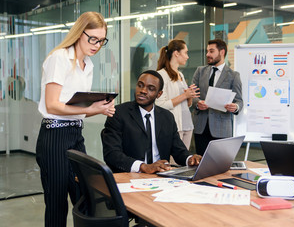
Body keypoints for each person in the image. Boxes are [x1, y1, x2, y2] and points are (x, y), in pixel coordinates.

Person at [36, 12, 115, 227]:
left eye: (101, 41)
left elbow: (77, 109)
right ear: (80, 33)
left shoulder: (87, 65)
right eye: (92, 39)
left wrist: (98, 109)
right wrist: (90, 108)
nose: (97, 45)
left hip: (75, 135)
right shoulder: (59, 58)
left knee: (85, 196)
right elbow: (52, 105)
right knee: (56, 204)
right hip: (54, 136)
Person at [101, 70, 202, 173]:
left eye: (151, 88)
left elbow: (179, 151)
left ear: (159, 94)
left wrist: (190, 159)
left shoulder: (167, 117)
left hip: (160, 176)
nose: (143, 91)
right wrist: (143, 167)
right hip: (131, 176)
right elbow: (112, 154)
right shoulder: (119, 113)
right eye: (140, 85)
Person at [192, 39, 243, 156]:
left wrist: (235, 107)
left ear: (222, 52)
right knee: (200, 164)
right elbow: (193, 95)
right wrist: (197, 103)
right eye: (207, 51)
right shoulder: (200, 71)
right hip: (201, 127)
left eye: (211, 51)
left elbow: (239, 101)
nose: (207, 55)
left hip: (222, 129)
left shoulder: (233, 75)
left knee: (220, 164)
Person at [156, 39, 199, 149]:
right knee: (174, 164)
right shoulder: (161, 75)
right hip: (174, 127)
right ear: (176, 53)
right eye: (185, 52)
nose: (187, 56)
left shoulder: (180, 74)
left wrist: (189, 96)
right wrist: (184, 95)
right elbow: (160, 105)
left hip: (187, 125)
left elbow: (186, 105)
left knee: (184, 162)